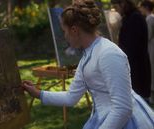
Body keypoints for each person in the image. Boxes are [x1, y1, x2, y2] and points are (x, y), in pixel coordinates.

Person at [22, 0, 154, 128]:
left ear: (74, 30)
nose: (65, 36)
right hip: (105, 118)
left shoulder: (108, 54)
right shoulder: (88, 56)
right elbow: (71, 97)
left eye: (64, 31)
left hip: (124, 122)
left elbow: (123, 109)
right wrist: (38, 93)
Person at [111, 0, 152, 102]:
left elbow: (132, 46)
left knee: (139, 102)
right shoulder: (130, 17)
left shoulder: (135, 18)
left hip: (136, 67)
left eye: (116, 7)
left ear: (123, 4)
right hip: (133, 66)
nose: (116, 11)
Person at [139, 0, 154, 104]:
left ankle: (152, 97)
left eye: (141, 7)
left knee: (152, 69)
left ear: (145, 7)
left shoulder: (149, 19)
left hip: (151, 46)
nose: (140, 10)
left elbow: (148, 35)